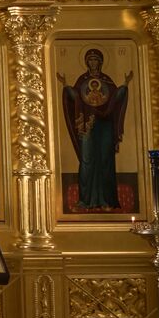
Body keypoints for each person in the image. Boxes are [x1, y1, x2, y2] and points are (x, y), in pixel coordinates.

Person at [58, 50, 131, 211]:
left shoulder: (106, 81)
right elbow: (76, 96)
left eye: (95, 60)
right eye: (90, 60)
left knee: (106, 160)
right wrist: (66, 87)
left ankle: (106, 201)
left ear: (100, 62)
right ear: (86, 62)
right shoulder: (82, 80)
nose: (93, 63)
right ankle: (84, 201)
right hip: (87, 126)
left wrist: (124, 87)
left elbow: (114, 99)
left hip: (105, 126)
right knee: (87, 161)